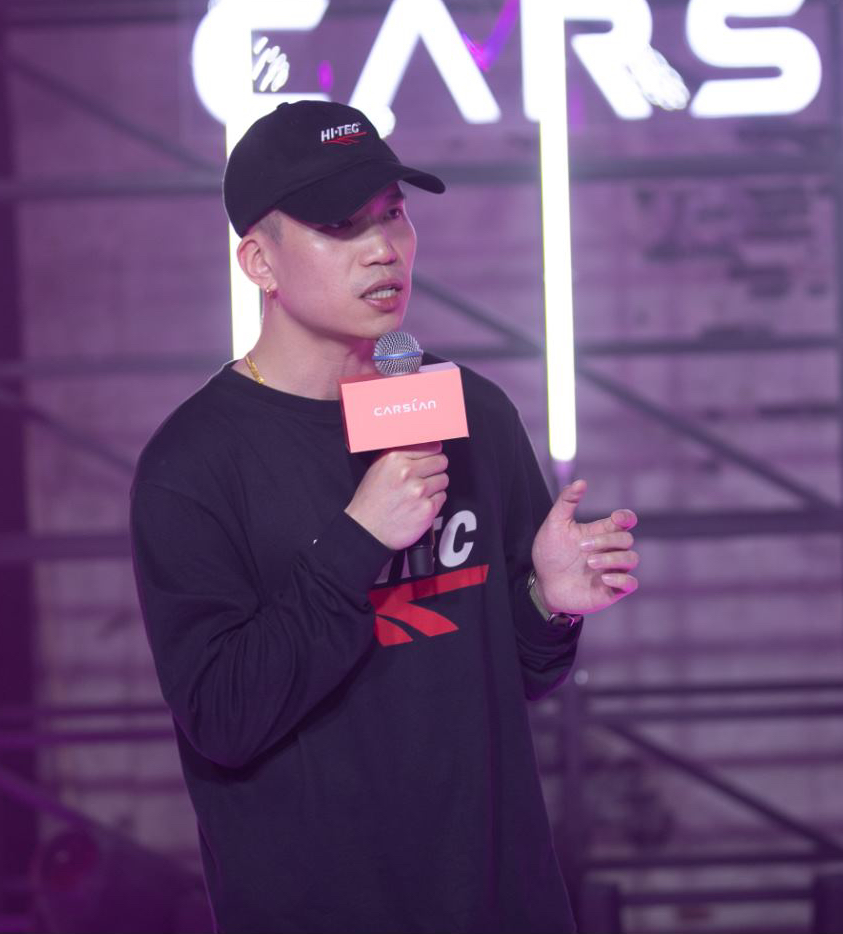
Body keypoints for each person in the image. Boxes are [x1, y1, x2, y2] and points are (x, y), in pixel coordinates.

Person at [130, 100, 640, 933]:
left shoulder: (469, 410)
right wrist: (359, 539)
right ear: (259, 261)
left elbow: (514, 676)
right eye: (342, 225)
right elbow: (223, 717)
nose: (384, 249)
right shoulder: (193, 464)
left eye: (393, 215)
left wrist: (547, 603)